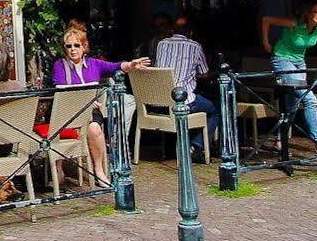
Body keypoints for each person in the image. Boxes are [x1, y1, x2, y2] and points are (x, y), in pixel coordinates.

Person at [49, 27, 148, 185]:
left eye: (76, 45)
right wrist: (84, 100)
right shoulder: (60, 66)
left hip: (90, 113)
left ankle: (99, 171)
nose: (73, 49)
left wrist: (131, 64)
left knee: (95, 128)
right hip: (68, 112)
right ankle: (58, 169)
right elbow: (60, 90)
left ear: (84, 46)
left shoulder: (93, 64)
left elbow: (115, 66)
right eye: (69, 46)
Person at [263, 1, 317, 158]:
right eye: (316, 12)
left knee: (293, 104)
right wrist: (266, 42)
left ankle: (279, 141)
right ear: (308, 15)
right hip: (282, 60)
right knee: (310, 100)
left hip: (299, 62)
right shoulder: (295, 24)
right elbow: (266, 20)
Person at [149, 16, 219, 155]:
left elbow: (158, 68)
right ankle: (196, 145)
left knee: (199, 101)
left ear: (172, 30)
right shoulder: (195, 46)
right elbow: (204, 73)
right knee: (215, 110)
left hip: (161, 101)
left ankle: (183, 144)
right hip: (183, 101)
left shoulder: (161, 44)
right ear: (191, 32)